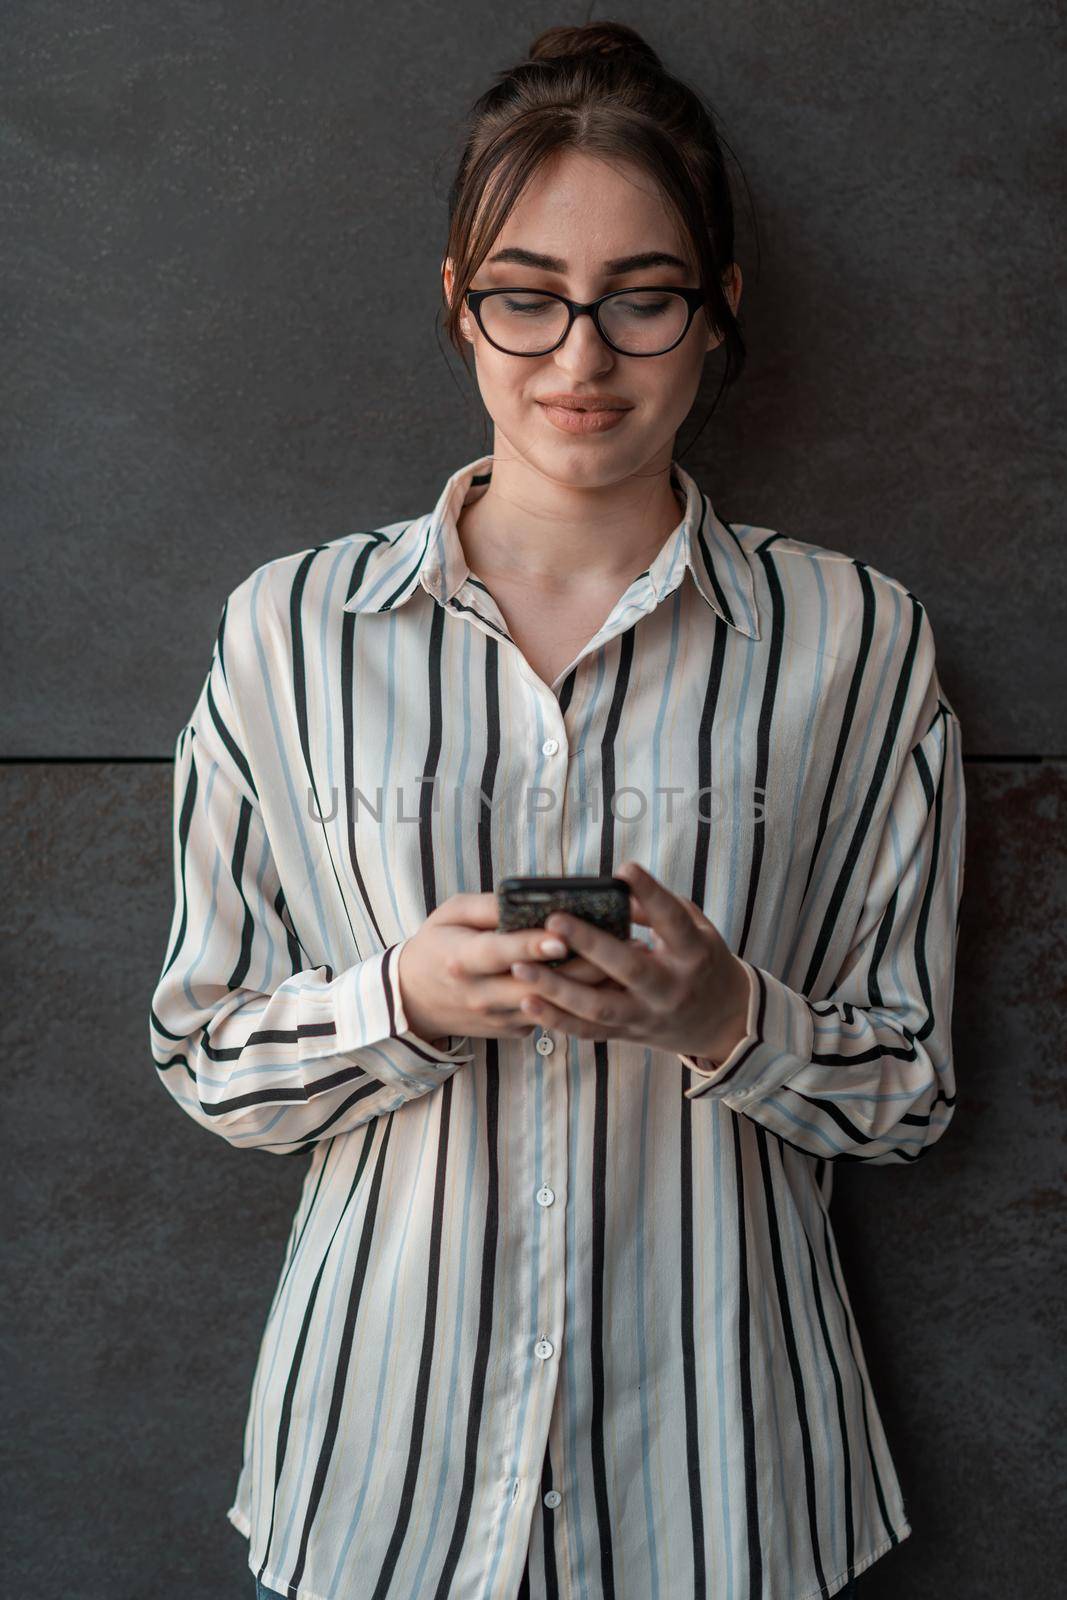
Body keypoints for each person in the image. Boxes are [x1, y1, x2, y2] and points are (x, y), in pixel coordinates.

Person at [150, 19, 965, 1600]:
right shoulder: (289, 631)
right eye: (527, 298)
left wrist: (726, 1012)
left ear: (717, 312)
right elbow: (204, 1058)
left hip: (727, 1481)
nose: (580, 359)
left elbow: (913, 1087)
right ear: (460, 308)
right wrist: (402, 998)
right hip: (381, 1471)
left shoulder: (857, 638)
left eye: (639, 297)